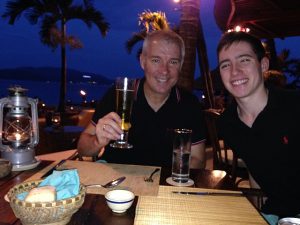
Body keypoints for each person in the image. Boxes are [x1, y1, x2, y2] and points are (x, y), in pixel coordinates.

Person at [77, 29, 206, 169]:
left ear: (180, 66)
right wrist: (97, 141)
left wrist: (173, 181)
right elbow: (82, 148)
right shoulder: (119, 95)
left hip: (165, 184)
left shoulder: (190, 104)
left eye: (173, 62)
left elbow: (198, 159)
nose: (164, 70)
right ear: (143, 61)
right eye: (156, 60)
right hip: (115, 184)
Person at [216, 31, 300, 223]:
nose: (235, 71)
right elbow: (255, 164)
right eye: (225, 65)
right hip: (274, 212)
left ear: (263, 65)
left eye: (244, 60)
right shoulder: (227, 123)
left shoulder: (294, 106)